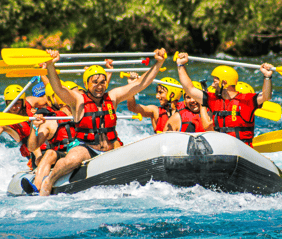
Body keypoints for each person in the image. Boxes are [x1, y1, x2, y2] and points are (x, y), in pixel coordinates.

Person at [38, 48, 167, 196]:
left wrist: (159, 63)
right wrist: (50, 65)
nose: (99, 86)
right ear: (87, 83)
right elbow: (58, 88)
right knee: (72, 159)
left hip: (111, 147)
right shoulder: (78, 100)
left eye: (102, 82)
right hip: (87, 148)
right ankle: (49, 180)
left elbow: (140, 84)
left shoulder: (113, 97)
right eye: (95, 82)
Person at [176, 53, 273, 146]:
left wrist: (267, 77)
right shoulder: (213, 99)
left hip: (242, 150)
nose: (212, 85)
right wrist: (181, 65)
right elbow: (189, 89)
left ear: (224, 83)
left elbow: (266, 96)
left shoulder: (246, 100)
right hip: (221, 149)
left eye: (215, 82)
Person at [21, 83, 75, 194]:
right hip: (63, 155)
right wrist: (33, 126)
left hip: (83, 151)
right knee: (50, 153)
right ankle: (37, 187)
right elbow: (32, 147)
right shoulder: (49, 119)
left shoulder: (84, 112)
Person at [0, 85, 47, 169]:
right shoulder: (6, 121)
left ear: (23, 101)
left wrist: (40, 110)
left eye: (17, 103)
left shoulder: (30, 101)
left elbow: (47, 101)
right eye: (10, 103)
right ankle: (39, 163)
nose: (14, 107)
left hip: (44, 138)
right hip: (31, 148)